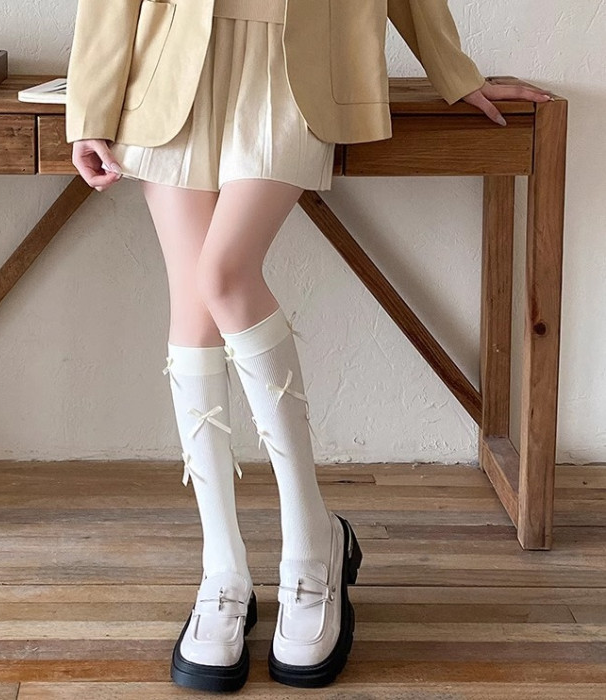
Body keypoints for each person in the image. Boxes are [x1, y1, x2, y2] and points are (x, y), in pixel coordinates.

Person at [67, 0, 553, 692]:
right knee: (194, 307)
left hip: (299, 65)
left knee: (223, 276)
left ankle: (311, 544)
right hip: (169, 65)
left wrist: (455, 72)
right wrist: (90, 108)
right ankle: (223, 569)